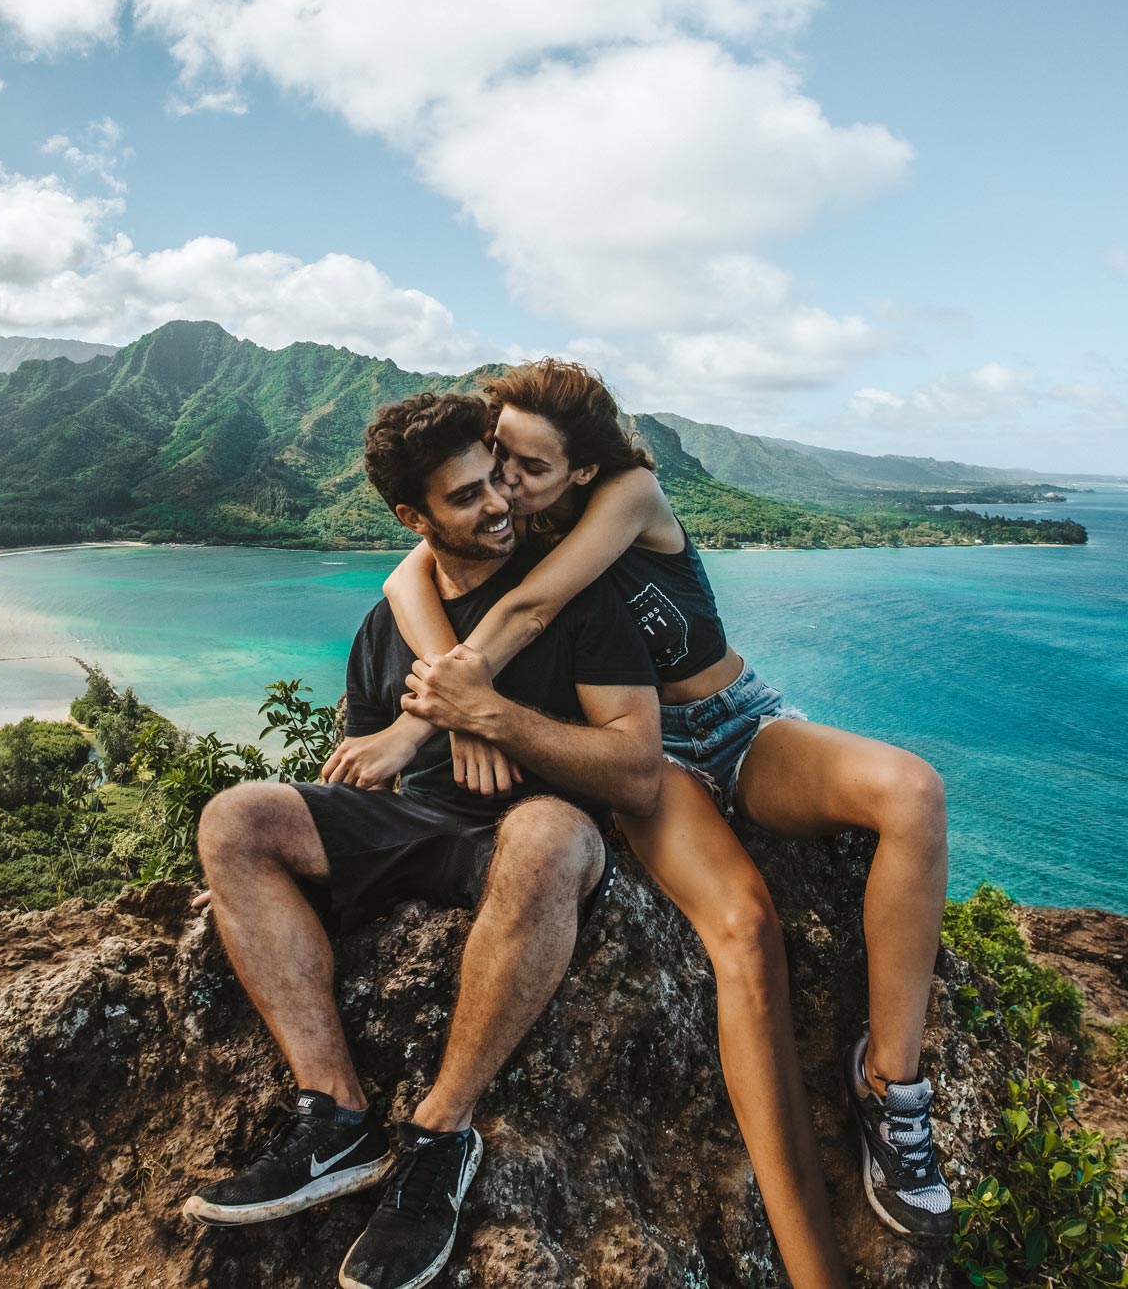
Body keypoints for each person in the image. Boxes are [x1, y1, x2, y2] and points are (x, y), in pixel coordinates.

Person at [331, 360, 953, 1284]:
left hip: (736, 724)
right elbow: (405, 576)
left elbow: (530, 611)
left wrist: (438, 707)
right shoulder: (504, 525)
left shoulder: (626, 491)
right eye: (496, 458)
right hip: (651, 764)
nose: (503, 483)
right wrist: (444, 707)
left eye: (527, 466)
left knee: (913, 792)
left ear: (582, 470)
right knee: (743, 931)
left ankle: (890, 1086)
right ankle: (813, 1265)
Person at [183, 390, 663, 1289]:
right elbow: (362, 768)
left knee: (548, 837)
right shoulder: (390, 620)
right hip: (425, 830)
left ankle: (440, 1135)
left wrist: (495, 717)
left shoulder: (574, 594)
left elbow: (639, 772)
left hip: (538, 831)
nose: (498, 506)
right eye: (466, 496)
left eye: (498, 480)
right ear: (413, 517)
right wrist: (263, 878)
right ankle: (336, 1118)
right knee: (232, 819)